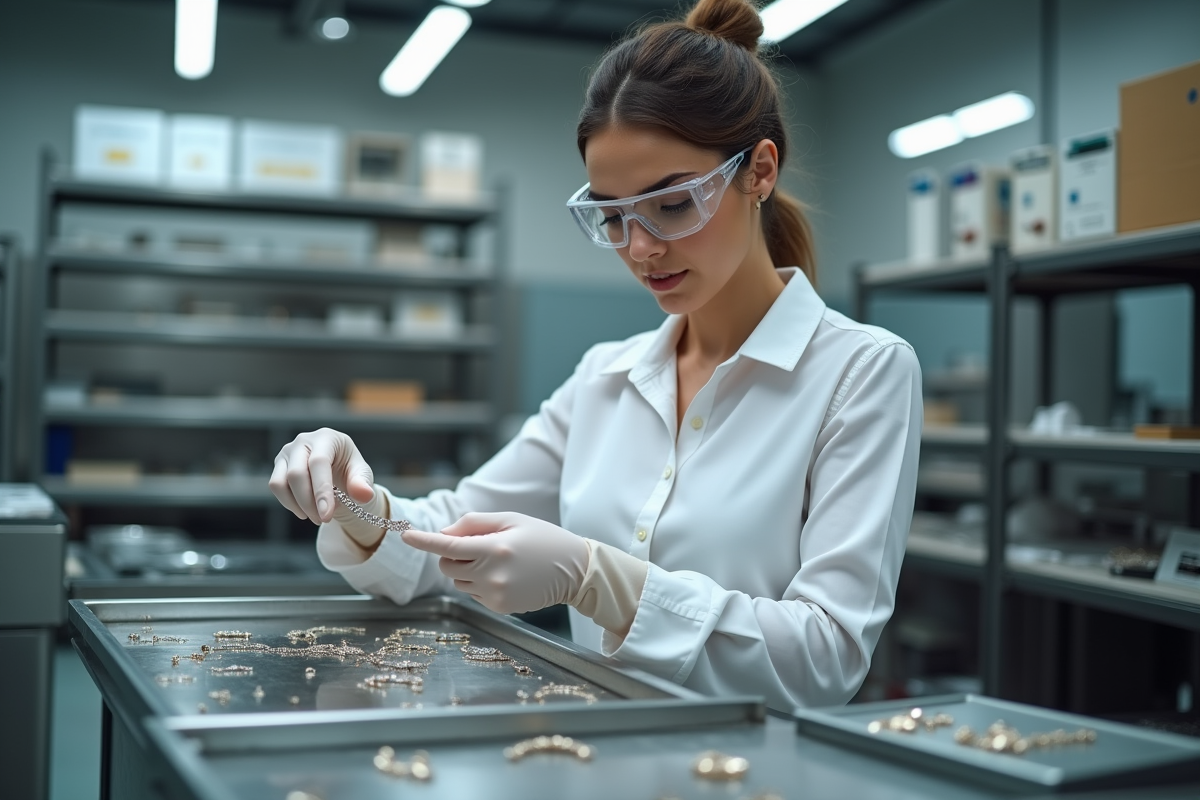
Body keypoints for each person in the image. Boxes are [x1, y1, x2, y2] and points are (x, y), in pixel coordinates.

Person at [270, 0, 922, 712]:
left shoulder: (861, 372)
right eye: (612, 215)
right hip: (594, 752)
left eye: (672, 205)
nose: (640, 248)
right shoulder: (605, 378)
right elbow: (447, 534)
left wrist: (595, 578)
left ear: (759, 171)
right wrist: (354, 501)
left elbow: (825, 659)